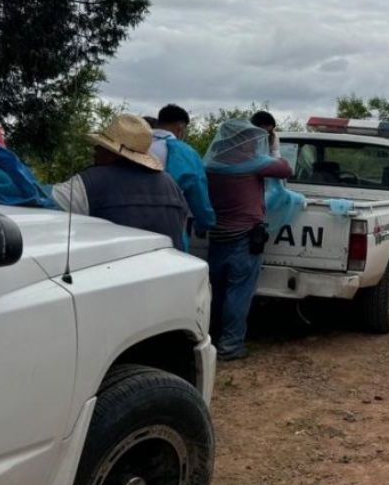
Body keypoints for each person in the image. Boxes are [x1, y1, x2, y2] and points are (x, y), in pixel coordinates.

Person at [204, 120, 292, 361]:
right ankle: (231, 346)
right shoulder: (253, 163)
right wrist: (273, 148)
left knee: (217, 290)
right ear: (245, 142)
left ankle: (210, 338)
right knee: (239, 292)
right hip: (244, 236)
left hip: (218, 234)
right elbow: (286, 169)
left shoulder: (213, 163)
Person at [51, 114, 188, 250]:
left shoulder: (89, 182)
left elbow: (50, 208)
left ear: (111, 153)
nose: (95, 150)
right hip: (169, 268)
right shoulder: (171, 185)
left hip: (112, 269)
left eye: (101, 146)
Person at [149, 104, 217, 252]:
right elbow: (198, 194)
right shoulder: (185, 153)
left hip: (124, 227)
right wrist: (205, 223)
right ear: (180, 127)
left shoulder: (133, 145)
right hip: (168, 228)